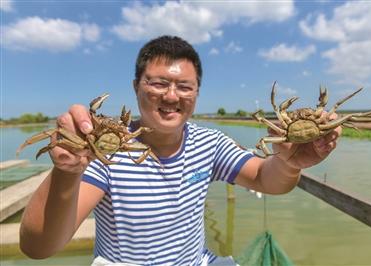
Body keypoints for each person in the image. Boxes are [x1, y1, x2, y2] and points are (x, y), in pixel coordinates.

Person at [19, 35, 341, 265]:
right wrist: (67, 170)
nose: (172, 96)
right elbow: (39, 247)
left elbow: (264, 179)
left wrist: (288, 163)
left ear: (197, 93)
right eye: (158, 83)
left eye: (184, 87)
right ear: (136, 87)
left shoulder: (209, 143)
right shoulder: (106, 153)